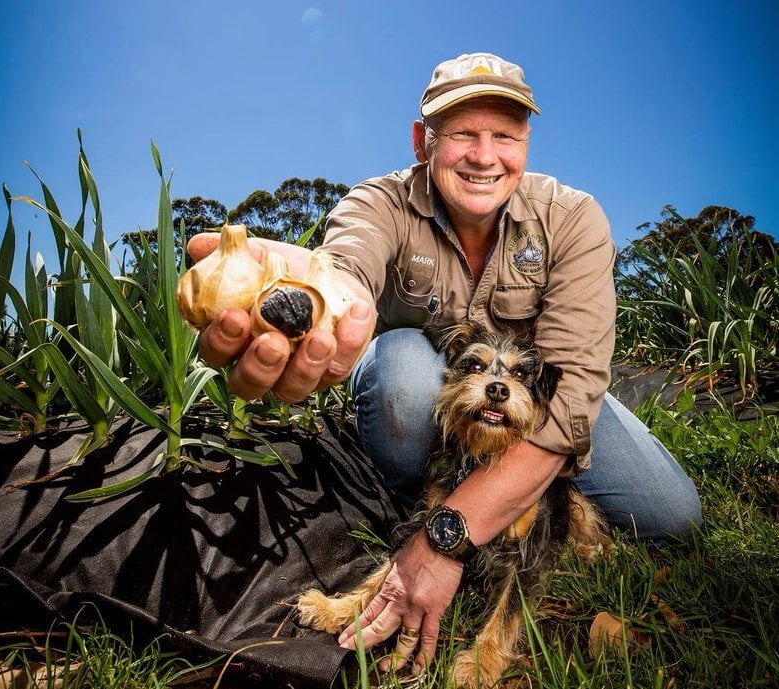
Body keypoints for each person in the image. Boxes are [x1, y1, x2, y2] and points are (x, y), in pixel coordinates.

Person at [187, 52, 702, 674]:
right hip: (438, 384)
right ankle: (428, 492)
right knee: (403, 371)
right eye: (461, 133)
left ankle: (482, 506)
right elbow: (347, 267)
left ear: (526, 143)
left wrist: (447, 539)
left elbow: (573, 390)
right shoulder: (380, 203)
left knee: (673, 514)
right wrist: (312, 301)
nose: (484, 156)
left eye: (504, 136)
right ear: (422, 140)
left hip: (547, 393)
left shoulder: (572, 219)